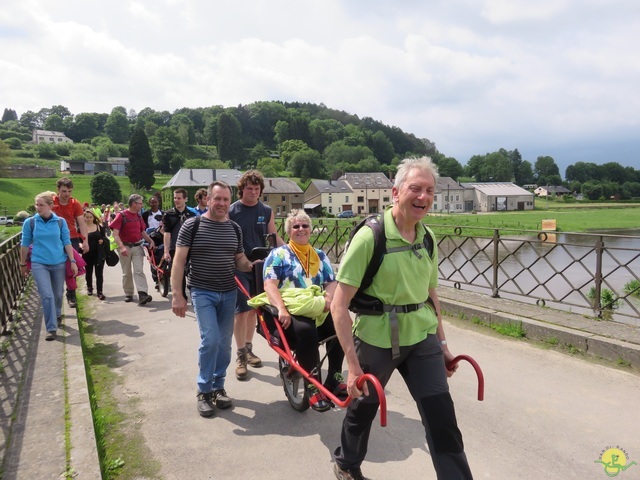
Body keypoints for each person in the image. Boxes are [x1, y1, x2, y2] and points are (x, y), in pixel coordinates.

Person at [331, 157, 473, 480]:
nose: (422, 197)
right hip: (376, 339)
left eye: (429, 191)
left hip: (421, 340)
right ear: (396, 193)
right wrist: (352, 367)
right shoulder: (370, 237)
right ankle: (346, 463)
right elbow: (339, 306)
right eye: (415, 189)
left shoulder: (427, 238)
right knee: (363, 409)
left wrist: (443, 344)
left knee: (442, 417)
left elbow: (430, 294)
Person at [170, 181, 254, 418]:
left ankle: (218, 386)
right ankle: (203, 390)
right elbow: (179, 261)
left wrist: (253, 265)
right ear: (207, 199)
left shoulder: (234, 229)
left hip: (229, 292)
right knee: (211, 339)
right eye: (217, 199)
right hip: (202, 291)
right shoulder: (192, 225)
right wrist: (178, 295)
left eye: (226, 200)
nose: (222, 203)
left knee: (225, 343)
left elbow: (239, 259)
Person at [261, 210, 346, 412]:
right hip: (290, 306)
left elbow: (331, 282)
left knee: (342, 325)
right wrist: (281, 308)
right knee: (306, 331)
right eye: (296, 226)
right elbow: (270, 285)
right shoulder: (278, 254)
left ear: (310, 230)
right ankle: (312, 386)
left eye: (305, 225)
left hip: (316, 305)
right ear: (289, 231)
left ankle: (334, 377)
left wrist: (328, 298)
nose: (301, 229)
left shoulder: (320, 255)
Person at [229, 170, 284, 380]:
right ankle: (241, 355)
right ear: (242, 189)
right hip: (239, 266)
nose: (253, 192)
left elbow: (274, 236)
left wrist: (290, 251)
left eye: (256, 189)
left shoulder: (266, 210)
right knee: (241, 311)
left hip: (261, 267)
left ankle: (249, 348)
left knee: (254, 310)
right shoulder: (233, 210)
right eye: (249, 188)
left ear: (261, 190)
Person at [20, 192, 78, 341]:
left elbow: (66, 242)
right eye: (36, 204)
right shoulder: (30, 222)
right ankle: (51, 328)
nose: (38, 207)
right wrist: (22, 264)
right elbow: (25, 244)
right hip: (39, 263)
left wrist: (72, 261)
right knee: (47, 295)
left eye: (41, 205)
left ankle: (57, 313)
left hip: (58, 262)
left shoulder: (60, 222)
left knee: (58, 294)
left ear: (50, 206)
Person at [109, 194, 156, 305]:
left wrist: (150, 241)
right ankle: (129, 293)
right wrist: (121, 247)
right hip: (124, 247)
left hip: (137, 247)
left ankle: (142, 294)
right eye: (140, 203)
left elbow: (142, 232)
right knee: (127, 272)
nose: (142, 205)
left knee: (139, 271)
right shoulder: (121, 216)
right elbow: (115, 234)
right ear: (134, 204)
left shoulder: (138, 216)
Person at [52, 177, 89, 308]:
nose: (67, 194)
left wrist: (85, 241)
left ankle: (71, 294)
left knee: (70, 267)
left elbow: (82, 223)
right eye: (64, 191)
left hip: (72, 238)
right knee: (55, 266)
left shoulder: (75, 203)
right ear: (58, 190)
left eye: (69, 191)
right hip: (54, 239)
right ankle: (55, 293)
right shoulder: (51, 202)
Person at [162, 188, 197, 262]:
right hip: (174, 248)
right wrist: (166, 251)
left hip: (189, 249)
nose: (176, 200)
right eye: (175, 198)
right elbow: (167, 233)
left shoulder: (192, 215)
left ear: (185, 199)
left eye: (179, 198)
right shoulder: (168, 214)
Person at [81, 209, 108, 300]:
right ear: (84, 218)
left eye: (90, 217)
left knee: (99, 273)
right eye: (87, 217)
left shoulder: (99, 227)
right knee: (88, 272)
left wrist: (102, 240)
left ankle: (100, 292)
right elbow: (78, 240)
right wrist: (81, 245)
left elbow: (105, 238)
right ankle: (89, 288)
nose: (88, 219)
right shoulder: (81, 228)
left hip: (98, 253)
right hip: (87, 253)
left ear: (94, 218)